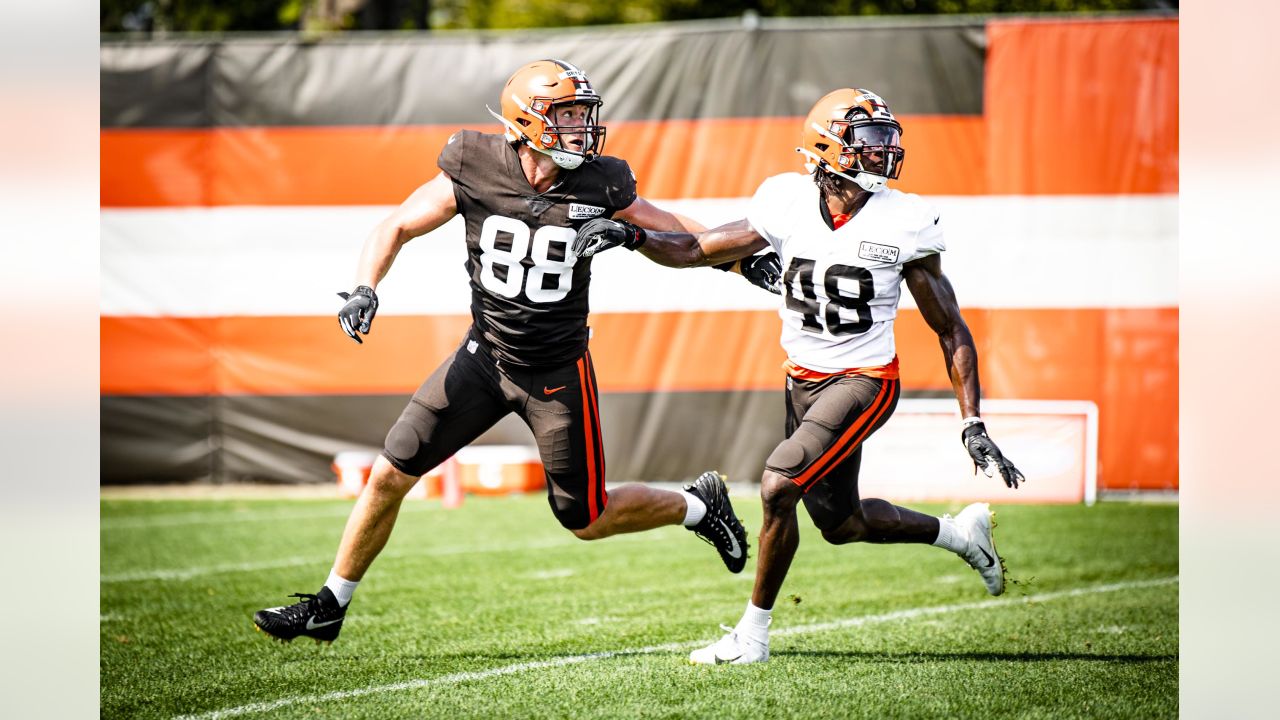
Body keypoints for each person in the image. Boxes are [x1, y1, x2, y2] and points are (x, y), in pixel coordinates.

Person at [253, 59, 778, 644]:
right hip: (483, 358)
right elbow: (398, 224)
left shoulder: (601, 181)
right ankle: (330, 603)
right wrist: (365, 286)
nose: (582, 127)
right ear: (527, 122)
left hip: (556, 371)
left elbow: (671, 228)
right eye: (568, 115)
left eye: (584, 114)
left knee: (585, 518)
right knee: (390, 470)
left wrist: (737, 259)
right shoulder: (473, 161)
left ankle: (698, 506)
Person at [573, 88, 1026, 665]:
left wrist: (973, 422)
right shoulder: (786, 200)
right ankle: (959, 535)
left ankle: (751, 636)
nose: (883, 153)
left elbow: (950, 327)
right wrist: (634, 236)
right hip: (803, 381)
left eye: (888, 140)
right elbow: (697, 248)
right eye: (868, 142)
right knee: (842, 522)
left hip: (865, 380)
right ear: (827, 147)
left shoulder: (908, 219)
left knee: (777, 484)